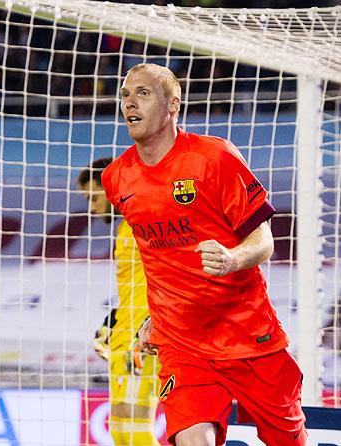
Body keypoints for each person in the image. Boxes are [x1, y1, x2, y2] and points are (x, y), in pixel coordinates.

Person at [101, 63, 306, 446]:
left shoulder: (214, 158)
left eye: (143, 94)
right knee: (193, 438)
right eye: (126, 95)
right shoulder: (117, 178)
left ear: (172, 104)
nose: (130, 103)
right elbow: (156, 259)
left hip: (247, 334)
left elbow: (264, 242)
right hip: (182, 344)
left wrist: (232, 259)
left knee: (289, 440)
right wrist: (151, 316)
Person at [78, 159, 159, 445]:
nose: (92, 207)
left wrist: (149, 325)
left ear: (112, 188)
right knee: (120, 431)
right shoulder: (126, 228)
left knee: (137, 431)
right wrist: (114, 321)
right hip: (123, 337)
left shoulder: (148, 221)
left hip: (143, 339)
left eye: (94, 197)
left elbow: (166, 278)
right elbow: (135, 285)